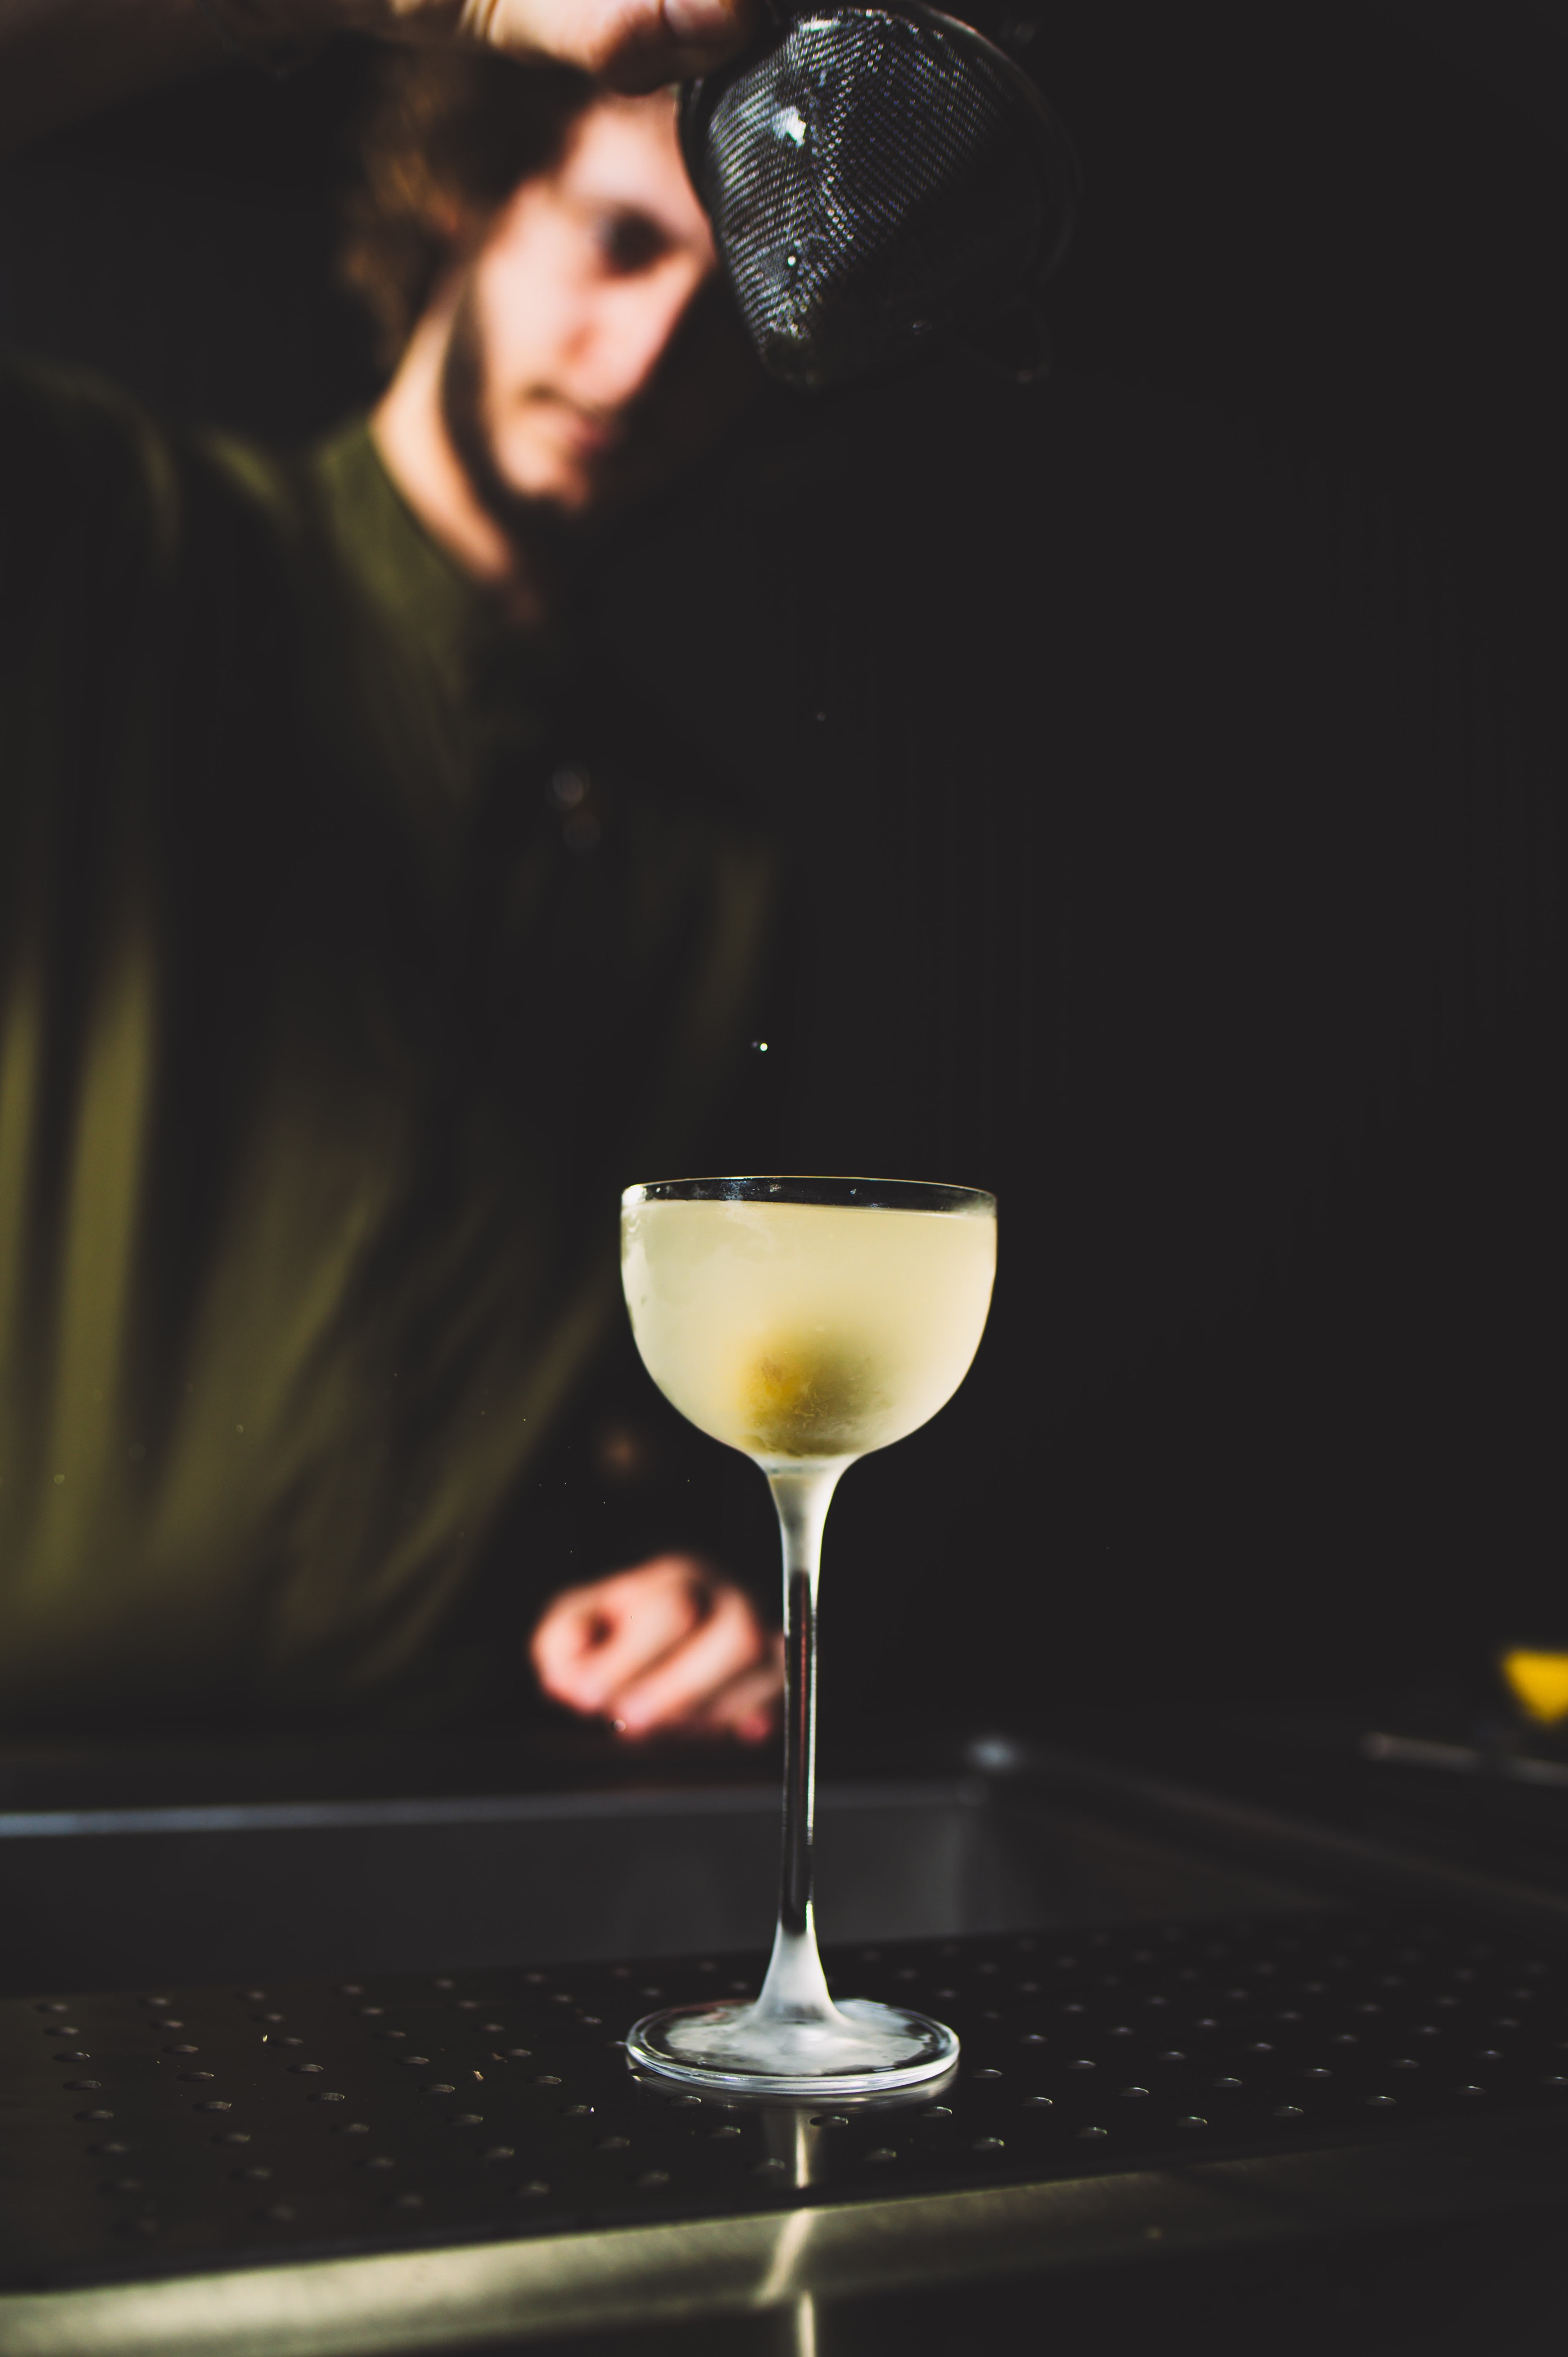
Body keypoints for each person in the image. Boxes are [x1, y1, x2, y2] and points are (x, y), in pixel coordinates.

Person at [0, 0, 789, 1743]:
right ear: (463, 197)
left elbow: (617, 1434)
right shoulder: (111, 545)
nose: (646, 354)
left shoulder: (709, 872)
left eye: (729, 300)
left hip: (431, 1822)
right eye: (618, 242)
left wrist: (682, 1591)